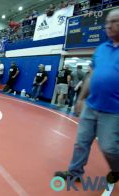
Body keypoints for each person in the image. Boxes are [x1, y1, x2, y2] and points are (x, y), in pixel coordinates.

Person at [55, 9, 119, 195]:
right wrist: (81, 98)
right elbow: (91, 76)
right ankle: (75, 173)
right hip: (91, 106)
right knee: (81, 142)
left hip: (113, 110)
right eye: (107, 22)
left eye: (114, 21)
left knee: (109, 147)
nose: (108, 25)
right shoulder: (101, 49)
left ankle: (116, 170)